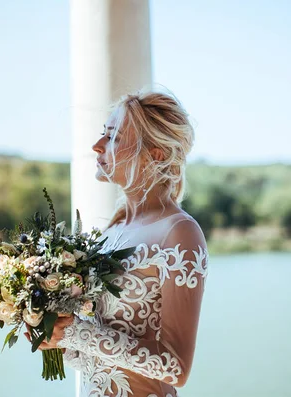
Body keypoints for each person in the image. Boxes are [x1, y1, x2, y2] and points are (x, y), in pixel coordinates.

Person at [27, 90, 208, 397]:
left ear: (156, 153)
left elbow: (177, 368)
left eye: (113, 137)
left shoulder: (179, 233)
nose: (97, 146)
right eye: (103, 135)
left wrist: (75, 332)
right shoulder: (112, 230)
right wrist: (53, 332)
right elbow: (102, 354)